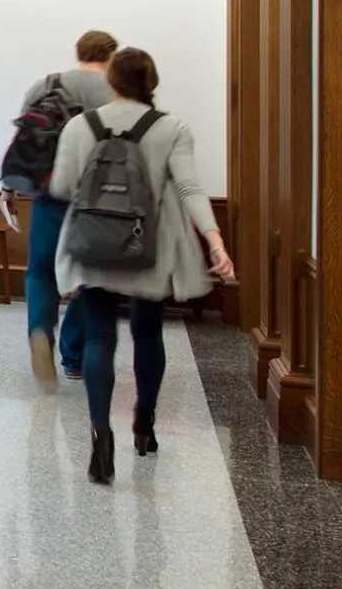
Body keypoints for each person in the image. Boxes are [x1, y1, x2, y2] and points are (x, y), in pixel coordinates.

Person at [49, 46, 236, 485]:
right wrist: (215, 241)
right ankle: (144, 426)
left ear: (111, 81)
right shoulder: (170, 127)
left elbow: (60, 185)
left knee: (98, 338)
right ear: (150, 82)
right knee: (148, 333)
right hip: (149, 249)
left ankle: (100, 437)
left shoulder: (81, 126)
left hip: (95, 246)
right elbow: (190, 187)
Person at [5, 30, 118, 385]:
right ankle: (74, 356)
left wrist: (9, 187)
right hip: (98, 198)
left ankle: (40, 329)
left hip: (50, 192)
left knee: (40, 269)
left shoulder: (45, 86)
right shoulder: (117, 92)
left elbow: (23, 140)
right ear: (111, 56)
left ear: (79, 53)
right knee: (89, 275)